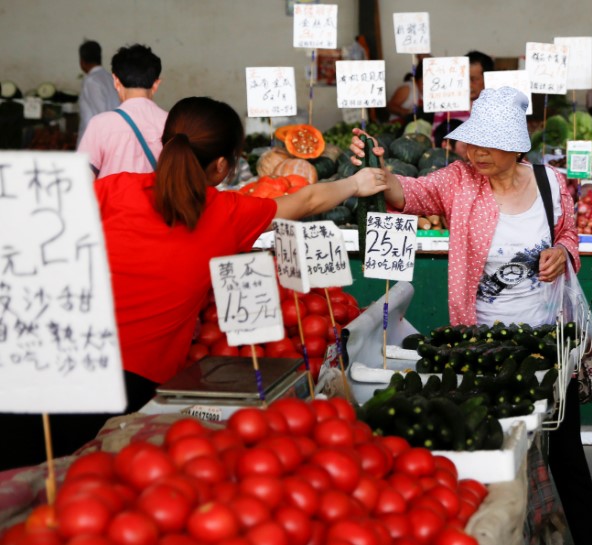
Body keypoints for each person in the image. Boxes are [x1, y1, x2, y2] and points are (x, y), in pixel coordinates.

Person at [0, 96, 386, 471]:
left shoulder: (112, 187)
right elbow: (308, 200)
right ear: (221, 166)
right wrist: (357, 182)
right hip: (121, 386)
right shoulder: (225, 213)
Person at [351, 86, 592, 545]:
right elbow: (411, 193)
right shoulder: (458, 180)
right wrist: (377, 172)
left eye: (489, 143)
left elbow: (570, 234)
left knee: (567, 453)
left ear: (517, 145)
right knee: (498, 452)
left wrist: (561, 253)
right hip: (484, 349)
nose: (476, 152)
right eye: (472, 142)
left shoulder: (550, 182)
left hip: (548, 344)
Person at [78, 44, 167, 179]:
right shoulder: (171, 122)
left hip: (111, 200)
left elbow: (82, 178)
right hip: (155, 200)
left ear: (116, 81)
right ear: (156, 84)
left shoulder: (99, 124)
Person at [430, 50, 494, 133]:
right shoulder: (446, 105)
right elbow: (436, 139)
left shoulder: (497, 107)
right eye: (464, 78)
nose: (468, 84)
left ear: (487, 79)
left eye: (474, 79)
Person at [77, 40, 120, 143]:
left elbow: (101, 114)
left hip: (95, 142)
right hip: (112, 137)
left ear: (82, 61)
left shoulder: (92, 81)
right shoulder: (110, 78)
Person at [387, 55, 427, 123]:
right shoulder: (407, 89)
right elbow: (390, 106)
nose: (426, 85)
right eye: (424, 81)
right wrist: (408, 113)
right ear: (418, 79)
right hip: (398, 125)